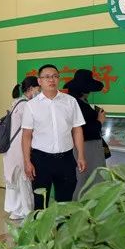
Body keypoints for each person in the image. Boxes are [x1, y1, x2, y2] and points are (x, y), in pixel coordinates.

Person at [21, 64, 87, 210]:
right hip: (40, 160)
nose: (51, 80)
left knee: (65, 202)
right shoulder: (31, 105)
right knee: (40, 203)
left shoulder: (70, 101)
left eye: (55, 76)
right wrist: (27, 162)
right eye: (47, 77)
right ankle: (41, 225)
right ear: (39, 81)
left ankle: (62, 225)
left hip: (66, 159)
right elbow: (26, 136)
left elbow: (77, 130)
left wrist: (81, 155)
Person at [64, 69, 107, 199]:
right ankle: (86, 206)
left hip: (79, 146)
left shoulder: (73, 102)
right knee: (89, 178)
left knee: (82, 178)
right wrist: (99, 121)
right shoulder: (78, 104)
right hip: (87, 146)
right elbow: (82, 129)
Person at [3, 76, 40, 220]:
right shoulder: (26, 106)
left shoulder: (17, 103)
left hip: (11, 149)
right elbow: (31, 128)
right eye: (38, 89)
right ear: (31, 89)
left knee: (14, 181)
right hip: (19, 148)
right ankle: (27, 211)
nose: (39, 92)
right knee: (24, 180)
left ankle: (16, 210)